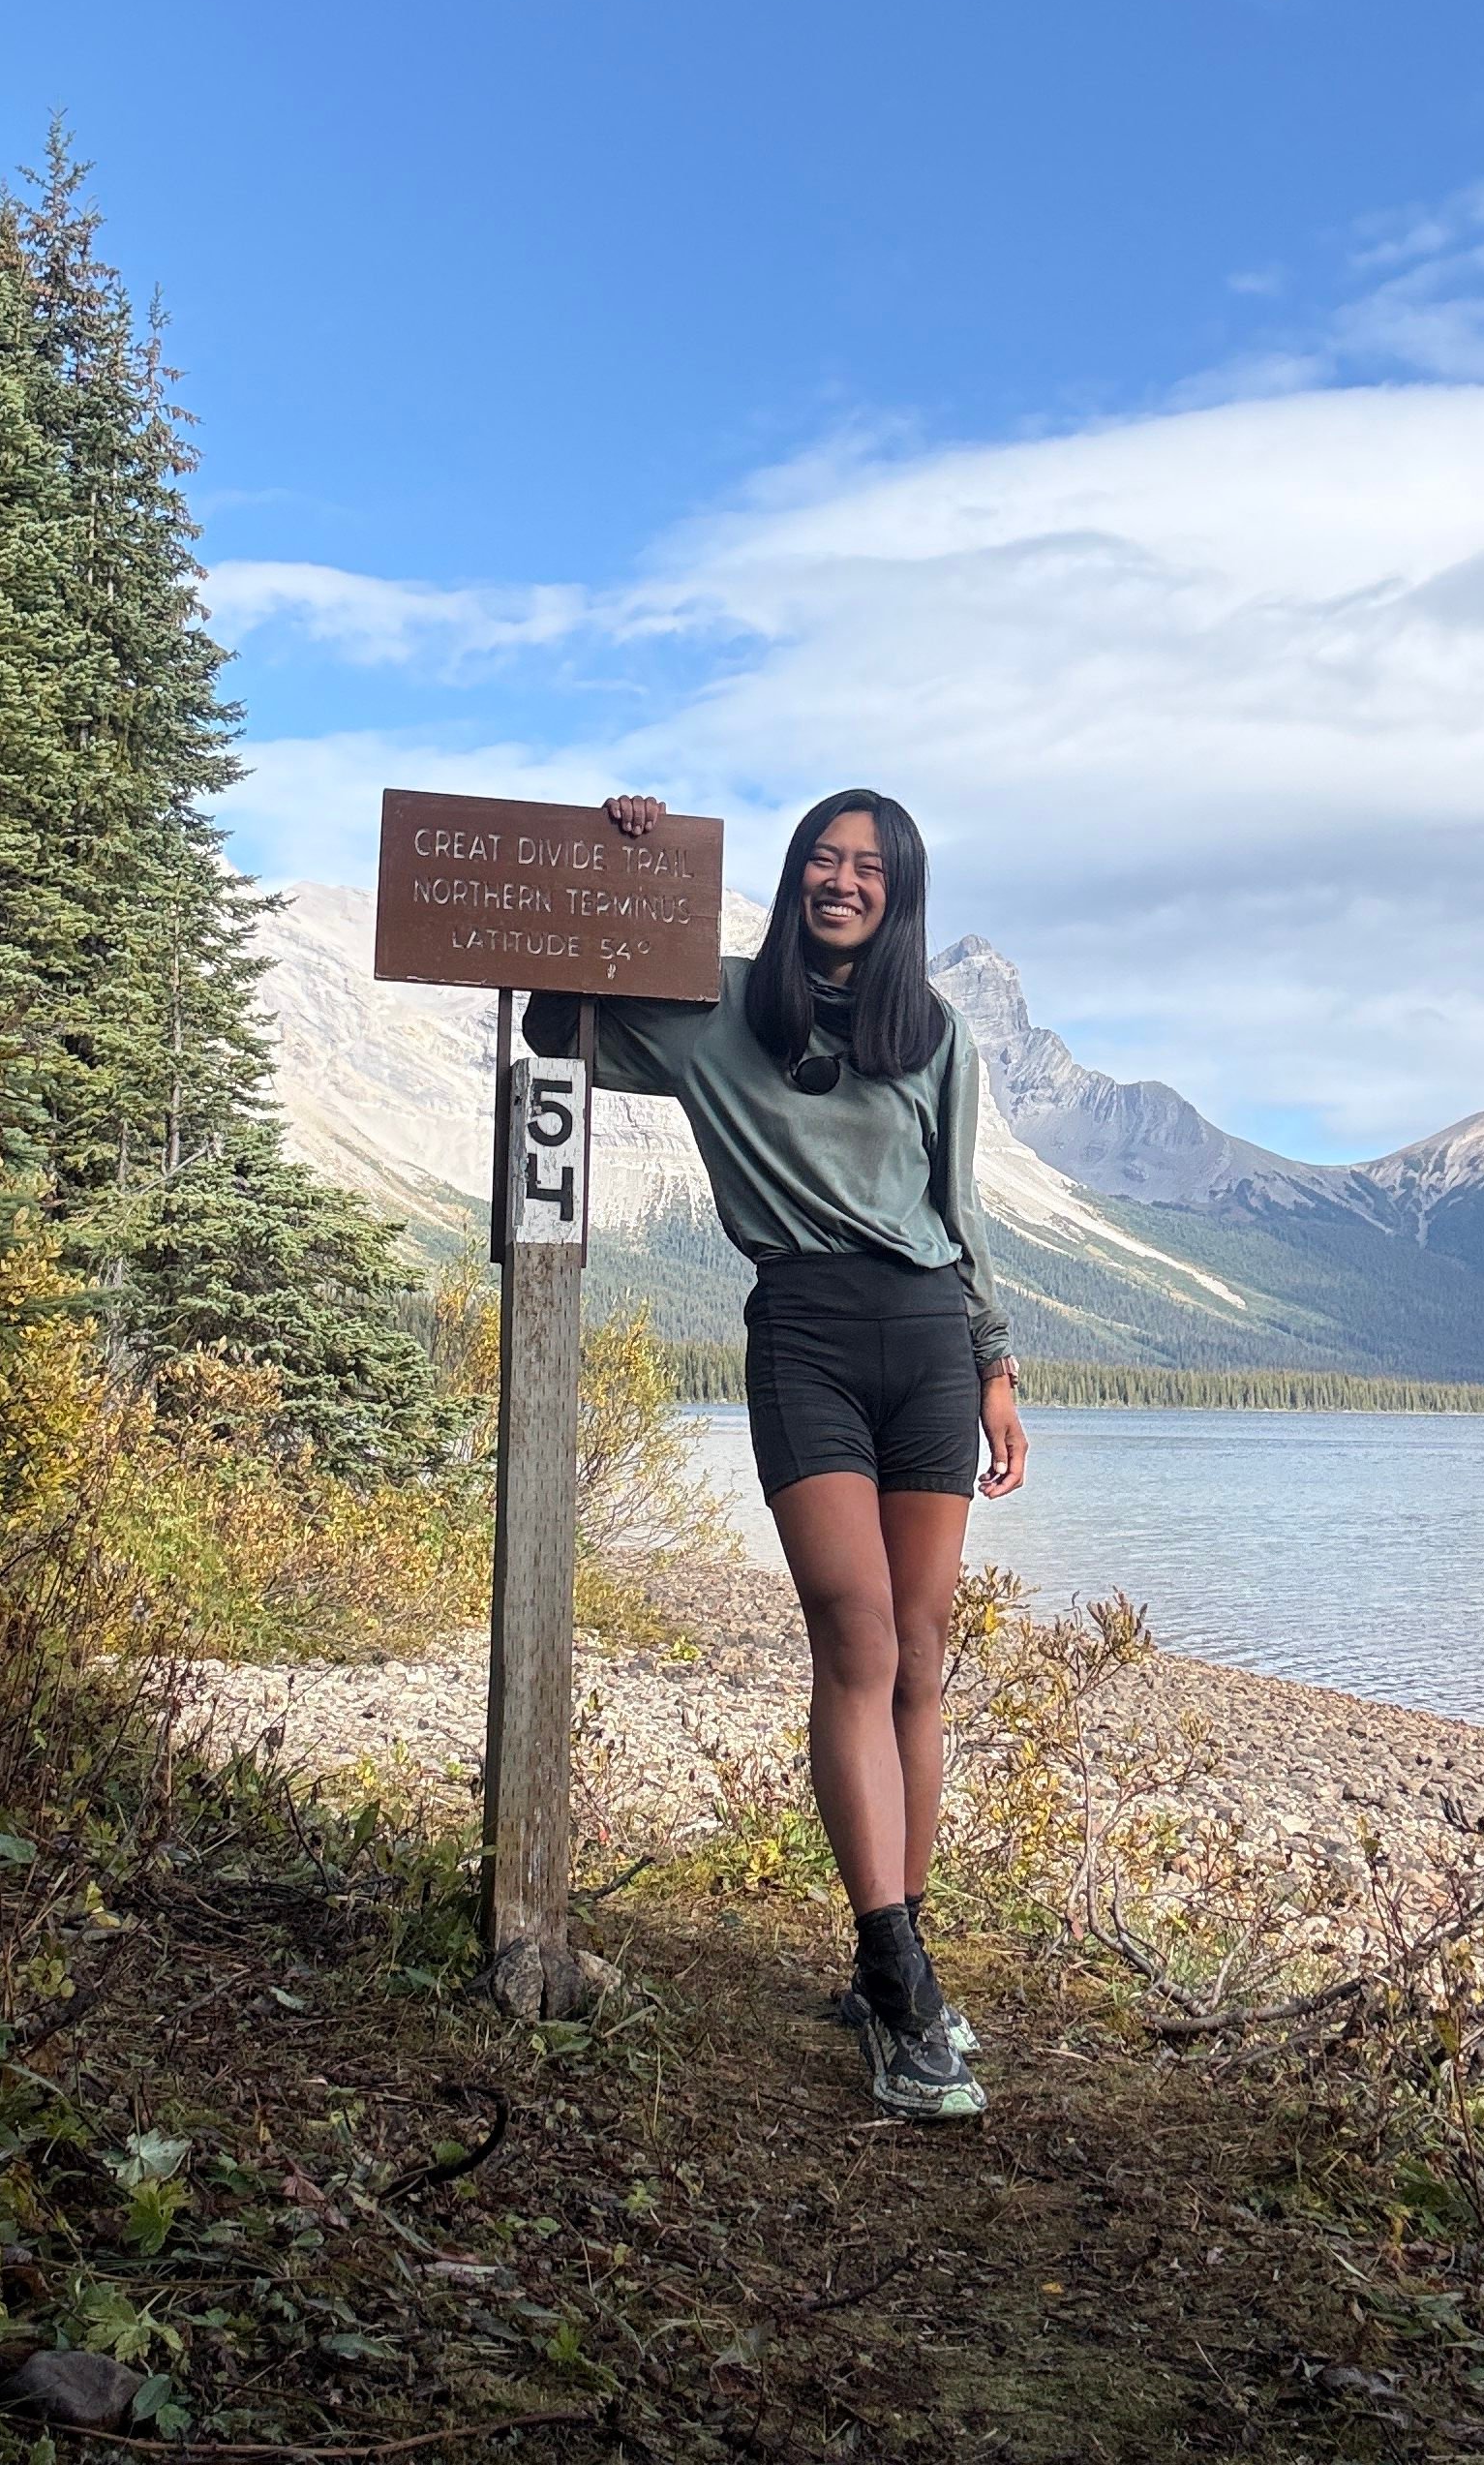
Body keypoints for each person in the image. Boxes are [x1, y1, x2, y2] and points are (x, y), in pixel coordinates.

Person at [526, 788, 1027, 2119]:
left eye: (869, 867)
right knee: (857, 1640)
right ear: (794, 873)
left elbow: (958, 1213)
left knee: (922, 1655)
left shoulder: (935, 1037)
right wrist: (615, 857)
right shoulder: (719, 1004)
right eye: (824, 856)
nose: (841, 880)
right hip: (803, 1330)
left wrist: (996, 1370)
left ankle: (897, 1965)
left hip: (927, 1340)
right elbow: (552, 1011)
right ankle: (900, 1982)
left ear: (899, 892)